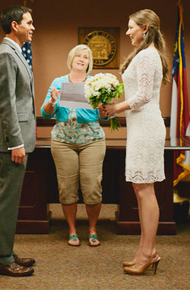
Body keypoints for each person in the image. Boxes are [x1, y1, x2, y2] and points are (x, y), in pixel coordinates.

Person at [100, 9, 170, 276]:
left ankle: (149, 252)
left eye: (131, 27)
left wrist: (115, 108)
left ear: (146, 29)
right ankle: (144, 250)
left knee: (145, 190)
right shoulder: (144, 55)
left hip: (147, 126)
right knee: (141, 189)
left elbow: (141, 97)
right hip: (140, 126)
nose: (128, 32)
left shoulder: (149, 55)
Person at [0, 6, 37, 277]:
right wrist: (15, 143)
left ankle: (4, 250)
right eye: (29, 23)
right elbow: (6, 102)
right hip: (11, 141)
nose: (32, 27)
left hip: (15, 138)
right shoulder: (6, 54)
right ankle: (0, 259)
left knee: (9, 200)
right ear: (15, 25)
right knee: (6, 202)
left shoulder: (15, 52)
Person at [41, 44, 106, 248]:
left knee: (92, 186)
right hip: (63, 142)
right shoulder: (58, 82)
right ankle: (72, 230)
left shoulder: (96, 83)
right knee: (67, 188)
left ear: (89, 63)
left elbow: (104, 115)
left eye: (85, 57)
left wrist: (100, 107)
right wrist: (53, 101)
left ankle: (93, 230)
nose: (81, 59)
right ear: (71, 59)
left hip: (92, 140)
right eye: (78, 56)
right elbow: (45, 113)